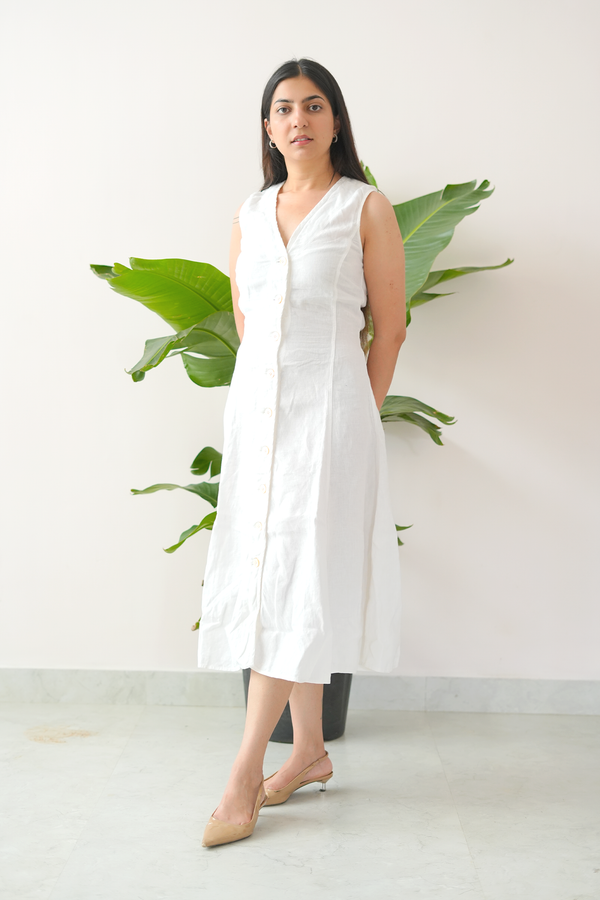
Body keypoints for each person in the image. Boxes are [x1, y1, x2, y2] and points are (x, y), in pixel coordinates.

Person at [199, 58, 406, 848]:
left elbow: (390, 329)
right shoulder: (249, 215)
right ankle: (310, 751)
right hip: (258, 424)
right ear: (267, 128)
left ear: (335, 121)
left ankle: (245, 771)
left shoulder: (365, 208)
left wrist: (353, 417)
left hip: (332, 422)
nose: (299, 120)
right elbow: (249, 323)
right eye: (284, 108)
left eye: (314, 106)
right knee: (276, 576)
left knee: (296, 576)